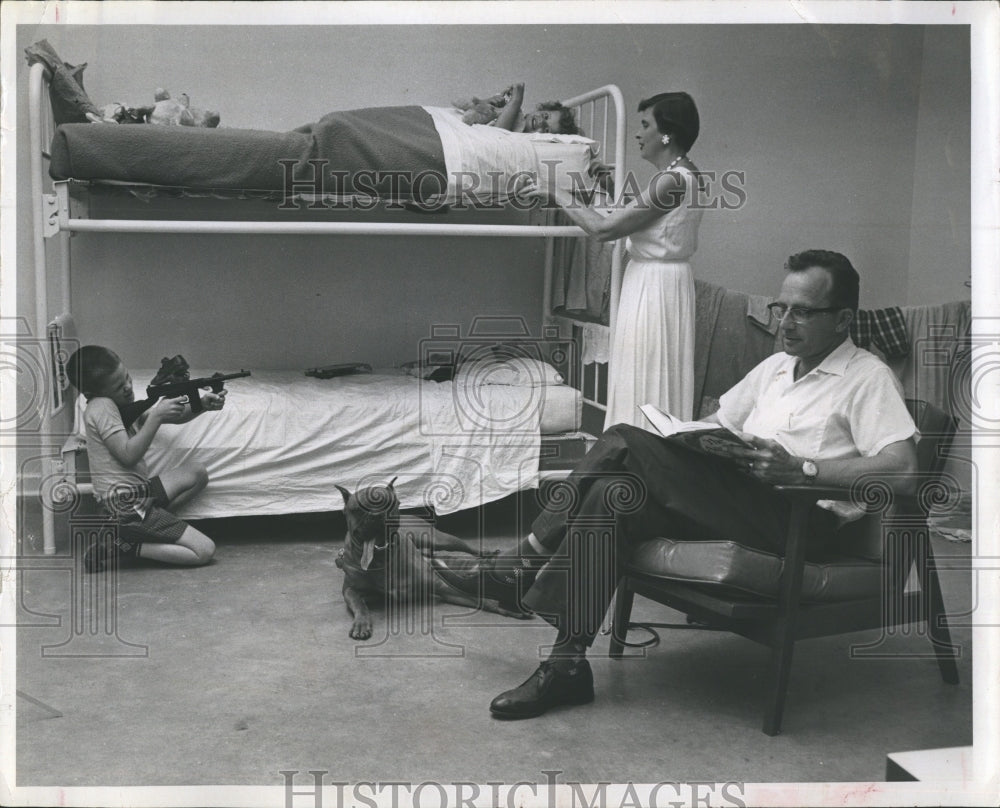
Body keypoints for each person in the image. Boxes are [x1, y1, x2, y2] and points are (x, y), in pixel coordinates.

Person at [438, 250, 919, 719]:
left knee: (623, 439)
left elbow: (902, 469)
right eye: (781, 308)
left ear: (842, 320)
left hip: (800, 521)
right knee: (613, 494)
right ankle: (565, 665)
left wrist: (804, 470)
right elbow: (717, 421)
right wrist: (694, 439)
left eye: (803, 312)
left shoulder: (866, 378)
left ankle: (522, 563)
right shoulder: (775, 368)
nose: (785, 322)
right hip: (740, 499)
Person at [518, 91, 703, 427]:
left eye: (645, 125)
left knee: (644, 373)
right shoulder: (683, 175)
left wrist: (555, 189)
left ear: (667, 134)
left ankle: (641, 453)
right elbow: (655, 222)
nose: (637, 133)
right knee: (648, 374)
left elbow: (603, 229)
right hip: (660, 282)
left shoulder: (670, 181)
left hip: (654, 287)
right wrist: (613, 186)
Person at [66, 345, 226, 572]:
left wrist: (201, 405)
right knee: (204, 550)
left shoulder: (118, 405)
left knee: (197, 472)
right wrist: (156, 418)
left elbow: (174, 416)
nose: (129, 387)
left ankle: (143, 527)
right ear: (93, 394)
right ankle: (123, 545)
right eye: (119, 386)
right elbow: (128, 455)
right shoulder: (101, 408)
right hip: (123, 506)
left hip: (135, 496)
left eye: (127, 378)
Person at [462, 83, 580, 135]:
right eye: (546, 116)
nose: (542, 122)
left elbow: (497, 133)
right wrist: (490, 101)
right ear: (539, 110)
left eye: (547, 130)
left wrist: (516, 100)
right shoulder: (517, 114)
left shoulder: (522, 135)